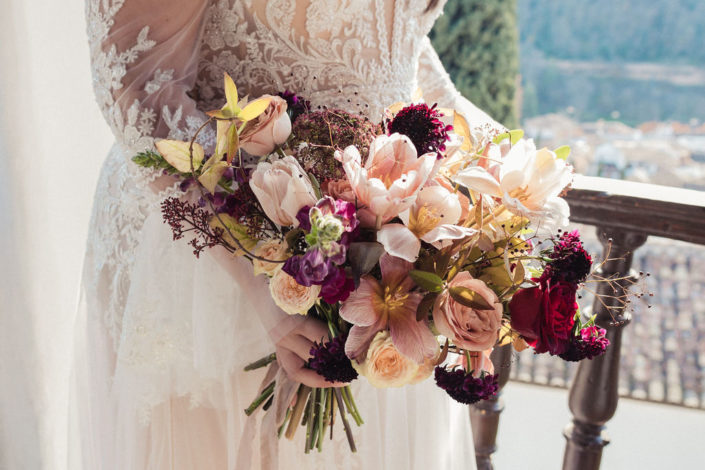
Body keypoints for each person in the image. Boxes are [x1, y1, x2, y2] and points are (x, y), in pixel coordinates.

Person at [71, 1, 500, 468]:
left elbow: (396, 47)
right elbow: (137, 89)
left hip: (381, 255)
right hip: (216, 262)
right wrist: (270, 278)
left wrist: (502, 170)